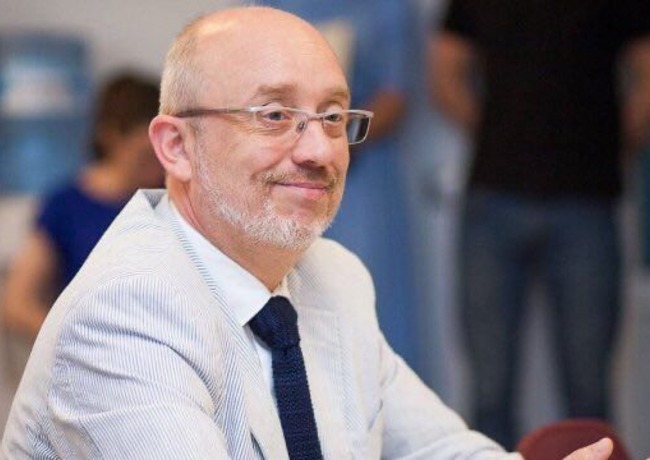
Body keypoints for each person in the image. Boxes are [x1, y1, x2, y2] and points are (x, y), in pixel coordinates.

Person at [2, 7, 613, 459]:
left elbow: (439, 449)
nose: (320, 150)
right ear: (177, 146)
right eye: (274, 115)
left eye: (333, 115)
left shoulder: (335, 275)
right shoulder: (124, 312)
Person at [429, 0, 650, 449]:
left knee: (588, 392)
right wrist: (497, 133)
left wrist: (615, 141)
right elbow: (444, 71)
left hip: (585, 203)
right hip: (494, 198)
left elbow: (646, 69)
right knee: (489, 390)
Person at [257, 0, 419, 366]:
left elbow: (395, 97)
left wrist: (330, 142)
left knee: (368, 308)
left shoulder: (388, 6)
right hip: (282, 162)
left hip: (360, 176)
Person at [1, 73, 163, 341]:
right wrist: (76, 341)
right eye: (146, 157)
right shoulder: (65, 206)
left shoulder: (167, 200)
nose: (158, 169)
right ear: (110, 136)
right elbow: (17, 302)